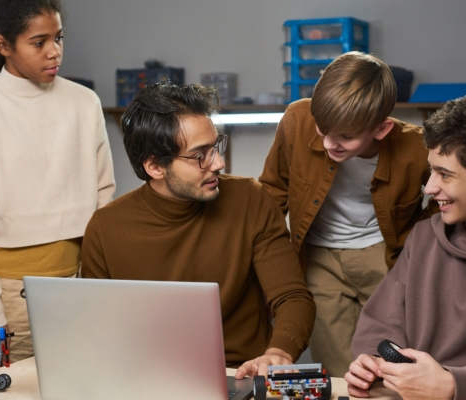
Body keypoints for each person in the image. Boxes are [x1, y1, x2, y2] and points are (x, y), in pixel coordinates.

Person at [81, 81, 316, 378]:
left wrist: (278, 352)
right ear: (155, 166)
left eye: (215, 146)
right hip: (147, 377)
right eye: (199, 155)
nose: (218, 162)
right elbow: (96, 327)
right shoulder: (106, 227)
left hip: (239, 374)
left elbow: (292, 296)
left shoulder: (250, 198)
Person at [259, 51, 438, 377]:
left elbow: (444, 198)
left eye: (345, 136)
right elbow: (272, 193)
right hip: (318, 260)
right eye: (323, 129)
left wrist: (417, 243)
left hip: (386, 258)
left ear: (381, 129)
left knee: (391, 368)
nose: (329, 143)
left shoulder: (416, 147)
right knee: (342, 373)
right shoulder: (297, 120)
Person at [0, 0, 115, 362]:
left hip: (81, 287)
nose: (55, 52)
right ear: (3, 45)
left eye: (59, 38)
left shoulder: (85, 102)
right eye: (39, 42)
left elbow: (105, 199)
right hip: (5, 297)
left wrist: (98, 289)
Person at [345, 96, 466, 399]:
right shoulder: (424, 238)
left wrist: (453, 386)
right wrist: (372, 360)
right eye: (431, 170)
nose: (430, 187)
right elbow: (381, 324)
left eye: (445, 174)